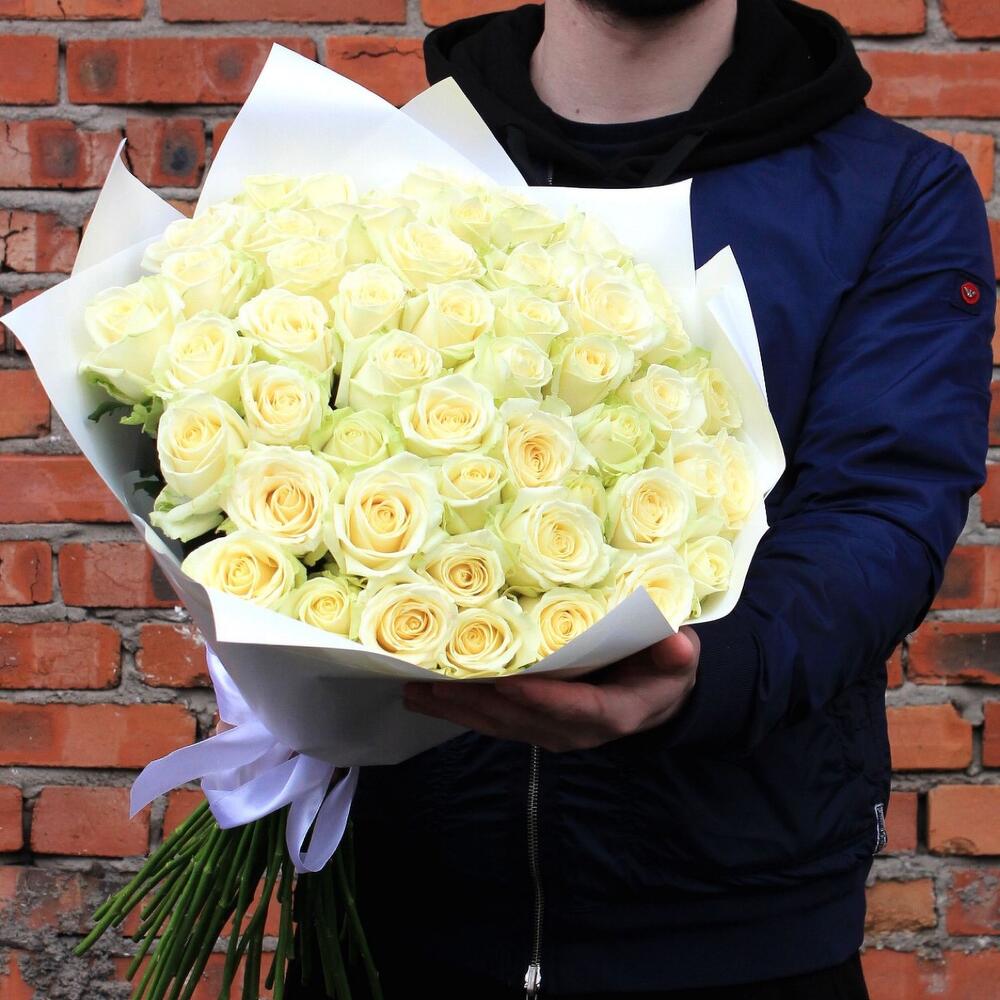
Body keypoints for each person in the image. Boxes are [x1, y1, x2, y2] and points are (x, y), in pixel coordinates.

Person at [289, 1, 996, 997]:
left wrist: (707, 672)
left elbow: (881, 514)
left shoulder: (890, 193)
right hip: (390, 920)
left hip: (730, 928)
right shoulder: (389, 169)